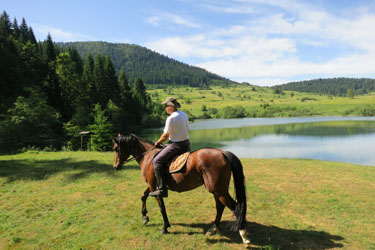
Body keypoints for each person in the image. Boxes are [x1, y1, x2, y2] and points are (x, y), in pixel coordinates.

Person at [150, 97, 190, 197]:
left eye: (166, 106)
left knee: (157, 161)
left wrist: (157, 142)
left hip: (176, 145)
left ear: (171, 107)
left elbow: (165, 135)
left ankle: (162, 189)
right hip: (186, 144)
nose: (165, 108)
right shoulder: (183, 114)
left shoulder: (171, 118)